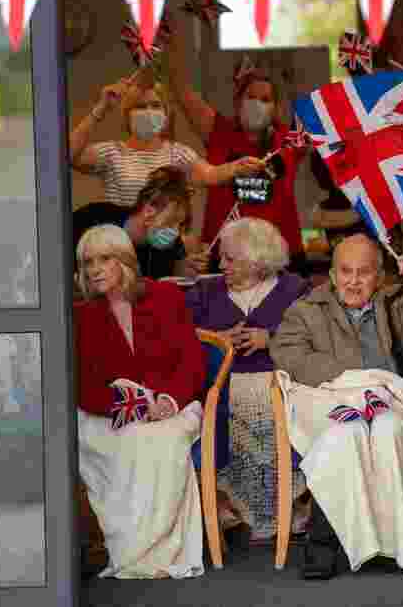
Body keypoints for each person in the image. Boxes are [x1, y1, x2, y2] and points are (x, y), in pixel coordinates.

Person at [269, 234, 403, 579]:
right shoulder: (306, 309)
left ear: (378, 276)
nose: (353, 281)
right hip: (332, 401)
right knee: (346, 431)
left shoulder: (397, 303)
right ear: (332, 275)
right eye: (345, 272)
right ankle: (323, 541)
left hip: (388, 403)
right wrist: (352, 382)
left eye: (363, 273)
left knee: (387, 428)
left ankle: (393, 543)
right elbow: (287, 354)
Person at [74, 224, 207, 579]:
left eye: (105, 259)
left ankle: (162, 552)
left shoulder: (165, 297)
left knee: (161, 441)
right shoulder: (81, 315)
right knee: (132, 440)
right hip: (109, 411)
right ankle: (135, 553)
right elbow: (83, 384)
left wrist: (167, 401)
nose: (95, 269)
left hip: (171, 406)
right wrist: (131, 407)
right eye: (88, 262)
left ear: (125, 262)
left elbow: (191, 362)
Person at [184, 218, 311, 543]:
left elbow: (315, 338)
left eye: (230, 259)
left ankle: (291, 504)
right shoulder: (204, 292)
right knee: (226, 408)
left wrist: (271, 338)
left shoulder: (295, 289)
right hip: (223, 383)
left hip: (281, 381)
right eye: (221, 258)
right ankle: (231, 508)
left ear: (257, 260)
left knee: (279, 407)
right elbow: (182, 341)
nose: (221, 265)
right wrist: (218, 340)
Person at [162, 18, 308, 270]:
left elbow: (338, 126)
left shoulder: (289, 140)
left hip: (280, 256)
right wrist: (170, 46)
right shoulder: (219, 130)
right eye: (250, 97)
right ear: (238, 102)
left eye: (265, 99)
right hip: (224, 253)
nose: (257, 104)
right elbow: (181, 90)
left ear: (275, 108)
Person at [69, 68, 264, 207]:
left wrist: (237, 167)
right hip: (122, 248)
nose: (148, 111)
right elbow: (67, 155)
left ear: (165, 114)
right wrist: (100, 109)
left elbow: (210, 174)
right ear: (127, 115)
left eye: (155, 106)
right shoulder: (111, 153)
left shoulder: (177, 153)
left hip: (163, 248)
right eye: (140, 106)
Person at [73, 166, 209, 282]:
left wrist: (181, 271)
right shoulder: (91, 219)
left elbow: (172, 283)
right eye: (171, 222)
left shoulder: (173, 245)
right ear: (149, 212)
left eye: (180, 225)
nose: (176, 232)